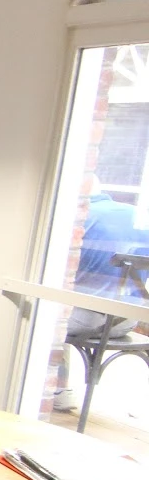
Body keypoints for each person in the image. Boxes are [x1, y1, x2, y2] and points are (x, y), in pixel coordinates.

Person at [54, 174, 149, 411]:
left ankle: (58, 389)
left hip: (85, 320)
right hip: (127, 320)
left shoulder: (80, 218)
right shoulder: (134, 215)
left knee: (44, 314)